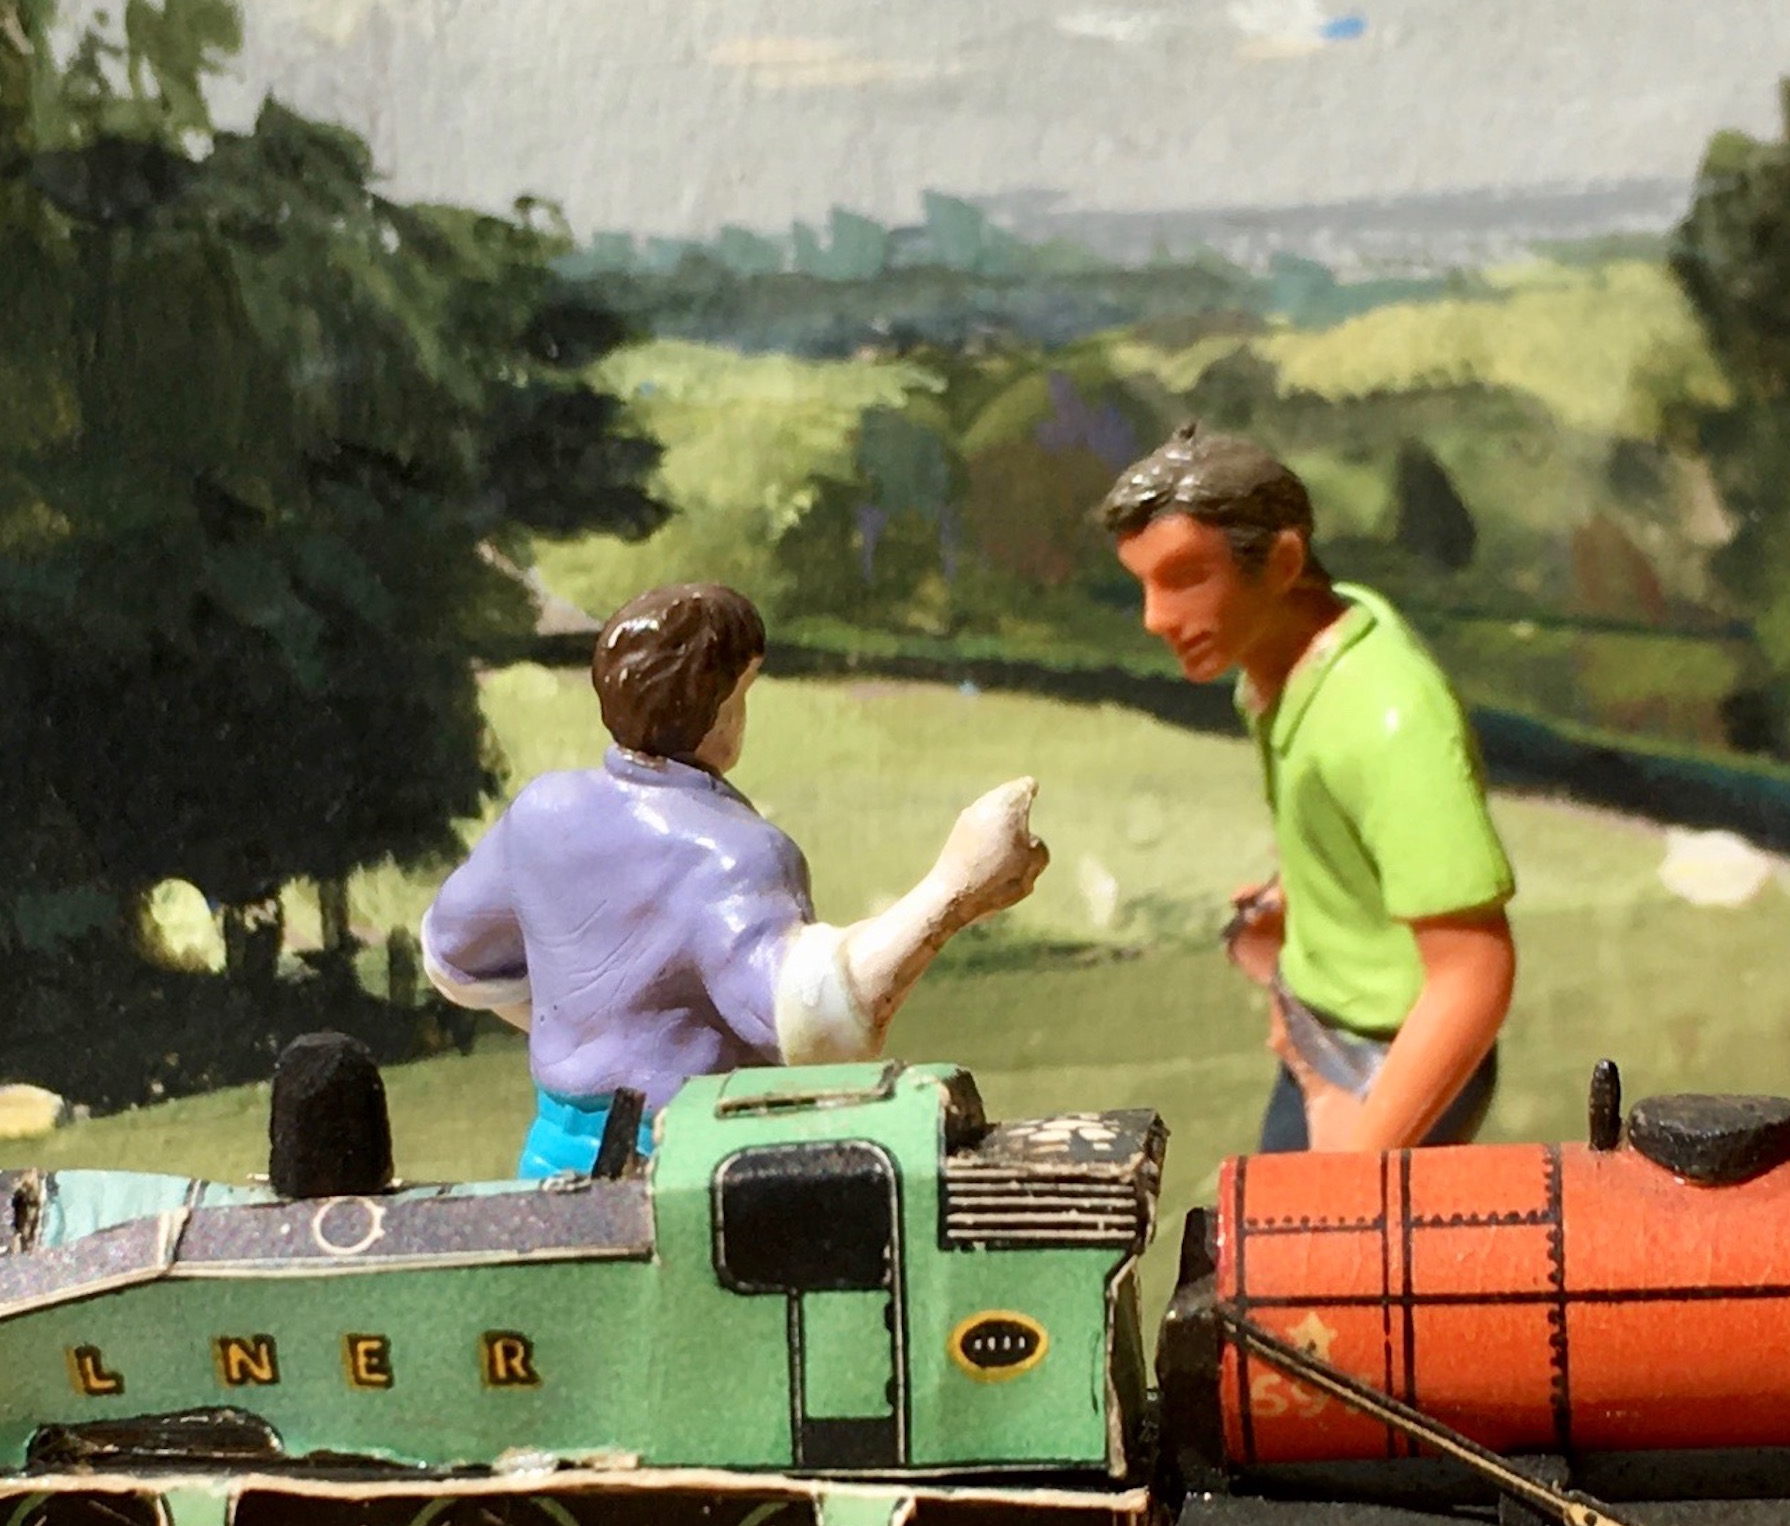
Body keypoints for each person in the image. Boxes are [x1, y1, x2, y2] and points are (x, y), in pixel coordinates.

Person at [421, 581, 1047, 1177]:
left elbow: (454, 954)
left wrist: (583, 1025)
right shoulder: (734, 855)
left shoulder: (541, 811)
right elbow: (816, 1021)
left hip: (551, 1156)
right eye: (742, 693)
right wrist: (956, 889)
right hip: (685, 1169)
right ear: (717, 709)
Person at [1099, 425, 1515, 1153]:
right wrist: (1298, 897)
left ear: (1284, 561)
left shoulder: (1391, 719)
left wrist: (1353, 1175)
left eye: (1186, 577)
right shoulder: (1270, 671)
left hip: (1392, 1063)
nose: (1155, 618)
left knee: (1308, 1257)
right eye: (1145, 584)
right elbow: (1348, 827)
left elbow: (1473, 972)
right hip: (1315, 1030)